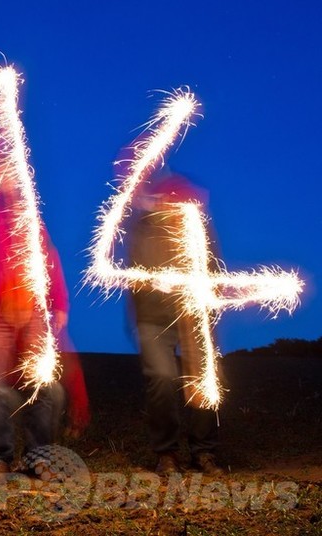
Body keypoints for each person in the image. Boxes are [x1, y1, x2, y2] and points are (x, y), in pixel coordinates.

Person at [0, 156, 71, 474]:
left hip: (33, 308)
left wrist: (59, 302)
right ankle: (1, 457)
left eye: (6, 172)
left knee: (42, 383)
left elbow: (47, 255)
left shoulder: (28, 216)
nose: (2, 177)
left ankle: (39, 458)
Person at [127, 172, 224, 475]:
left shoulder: (198, 229)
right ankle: (166, 453)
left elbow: (213, 269)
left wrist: (209, 292)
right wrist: (159, 282)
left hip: (193, 315)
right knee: (163, 378)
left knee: (204, 380)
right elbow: (136, 275)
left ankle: (203, 452)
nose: (179, 209)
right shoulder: (144, 229)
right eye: (174, 203)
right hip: (153, 318)